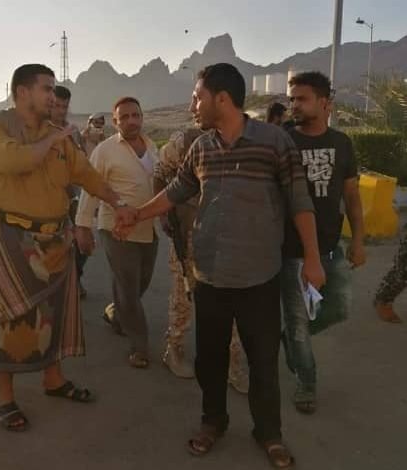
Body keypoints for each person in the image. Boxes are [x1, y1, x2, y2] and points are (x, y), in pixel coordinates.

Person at [116, 63, 324, 468]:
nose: (193, 104)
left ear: (222, 98)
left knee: (262, 363)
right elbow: (176, 191)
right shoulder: (201, 147)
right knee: (209, 360)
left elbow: (300, 200)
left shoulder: (274, 142)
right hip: (209, 274)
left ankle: (269, 433)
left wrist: (312, 259)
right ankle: (213, 422)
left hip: (259, 277)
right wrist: (136, 214)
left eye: (198, 97)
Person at [0, 64, 136, 431]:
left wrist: (118, 203)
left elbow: (87, 175)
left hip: (55, 240)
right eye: (46, 89)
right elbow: (15, 161)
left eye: (53, 89)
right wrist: (52, 139)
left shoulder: (58, 135)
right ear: (22, 92)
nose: (53, 96)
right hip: (13, 239)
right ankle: (4, 398)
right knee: (12, 318)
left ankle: (53, 380)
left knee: (55, 314)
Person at [282, 71, 366, 415]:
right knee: (299, 324)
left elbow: (352, 196)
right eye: (291, 99)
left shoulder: (342, 143)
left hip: (332, 247)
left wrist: (358, 240)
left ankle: (290, 338)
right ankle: (307, 382)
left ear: (323, 102)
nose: (294, 105)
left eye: (301, 99)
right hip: (291, 251)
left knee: (339, 308)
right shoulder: (285, 141)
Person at [154, 129, 249, 392]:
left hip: (228, 239)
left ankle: (232, 363)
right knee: (182, 299)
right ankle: (174, 349)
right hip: (189, 236)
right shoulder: (185, 141)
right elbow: (159, 175)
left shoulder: (244, 141)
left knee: (231, 303)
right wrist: (163, 215)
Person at [76, 97, 159, 369]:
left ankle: (115, 312)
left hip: (147, 227)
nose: (131, 121)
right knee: (129, 288)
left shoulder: (152, 147)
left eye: (136, 115)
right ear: (115, 121)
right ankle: (139, 346)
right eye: (125, 117)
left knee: (140, 282)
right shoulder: (105, 150)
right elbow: (91, 187)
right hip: (115, 229)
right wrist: (83, 226)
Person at [51, 85, 89, 298]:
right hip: (51, 198)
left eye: (64, 107)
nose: (60, 111)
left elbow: (82, 161)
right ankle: (62, 284)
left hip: (75, 196)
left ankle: (75, 278)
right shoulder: (42, 131)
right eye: (56, 106)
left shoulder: (73, 131)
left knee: (83, 241)